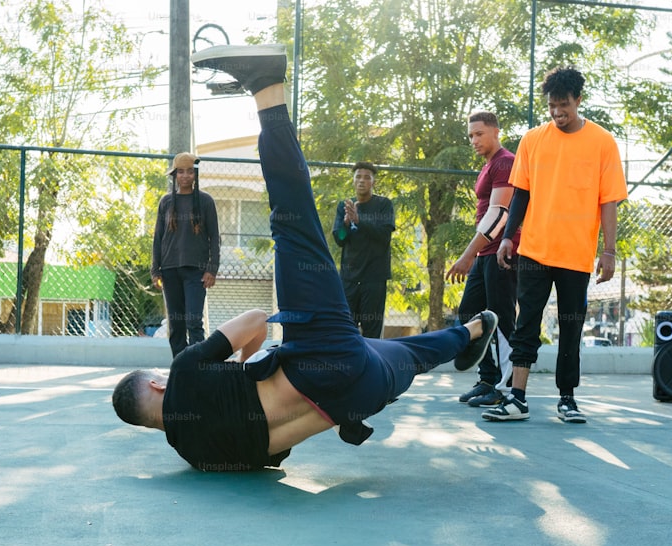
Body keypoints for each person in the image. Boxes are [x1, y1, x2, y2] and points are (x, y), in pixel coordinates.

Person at [112, 44, 498, 472]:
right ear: (156, 384)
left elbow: (275, 460)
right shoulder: (183, 373)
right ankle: (265, 85)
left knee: (405, 355)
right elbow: (257, 320)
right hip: (322, 354)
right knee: (289, 219)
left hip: (357, 397)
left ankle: (473, 331)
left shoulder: (198, 456)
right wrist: (243, 366)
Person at [483, 66, 627, 424]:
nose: (557, 112)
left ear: (578, 100)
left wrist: (608, 251)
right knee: (526, 322)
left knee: (571, 325)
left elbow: (608, 200)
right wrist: (506, 238)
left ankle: (568, 398)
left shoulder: (602, 142)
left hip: (576, 255)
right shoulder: (533, 140)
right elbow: (521, 195)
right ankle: (517, 397)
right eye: (552, 106)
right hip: (533, 249)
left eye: (564, 105)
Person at [446, 110, 519, 409]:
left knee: (501, 321)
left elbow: (499, 215)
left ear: (495, 132)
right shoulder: (489, 166)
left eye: (479, 134)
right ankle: (488, 379)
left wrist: (467, 255)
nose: (474, 140)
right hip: (485, 255)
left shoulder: (505, 162)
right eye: (470, 136)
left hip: (502, 254)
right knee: (471, 314)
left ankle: (505, 387)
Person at [151, 151, 221, 357]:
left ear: (195, 175)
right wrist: (155, 270)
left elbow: (215, 237)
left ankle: (199, 368)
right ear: (174, 175)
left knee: (193, 321)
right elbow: (157, 237)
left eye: (190, 171)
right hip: (169, 270)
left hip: (196, 272)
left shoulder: (206, 201)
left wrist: (212, 268)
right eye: (180, 172)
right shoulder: (166, 203)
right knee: (176, 323)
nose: (185, 176)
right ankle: (180, 368)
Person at [332, 161, 395, 338]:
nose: (362, 181)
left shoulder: (383, 205)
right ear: (353, 181)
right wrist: (346, 223)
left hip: (374, 279)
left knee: (371, 332)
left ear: (373, 182)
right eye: (358, 176)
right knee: (345, 329)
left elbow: (384, 236)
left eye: (367, 177)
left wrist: (359, 221)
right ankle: (346, 364)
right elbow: (340, 239)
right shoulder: (344, 206)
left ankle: (370, 365)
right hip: (349, 279)